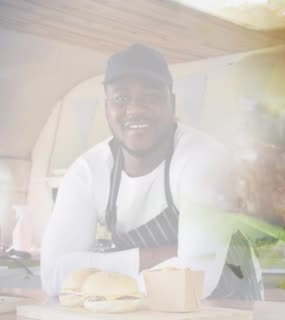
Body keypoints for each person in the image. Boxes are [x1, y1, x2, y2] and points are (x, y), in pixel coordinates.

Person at [40, 44, 263, 300]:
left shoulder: (204, 160)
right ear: (106, 108)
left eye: (151, 96)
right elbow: (52, 276)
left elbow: (196, 280)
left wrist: (101, 271)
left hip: (226, 307)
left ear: (172, 104)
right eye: (121, 98)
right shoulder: (87, 172)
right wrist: (168, 255)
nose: (134, 109)